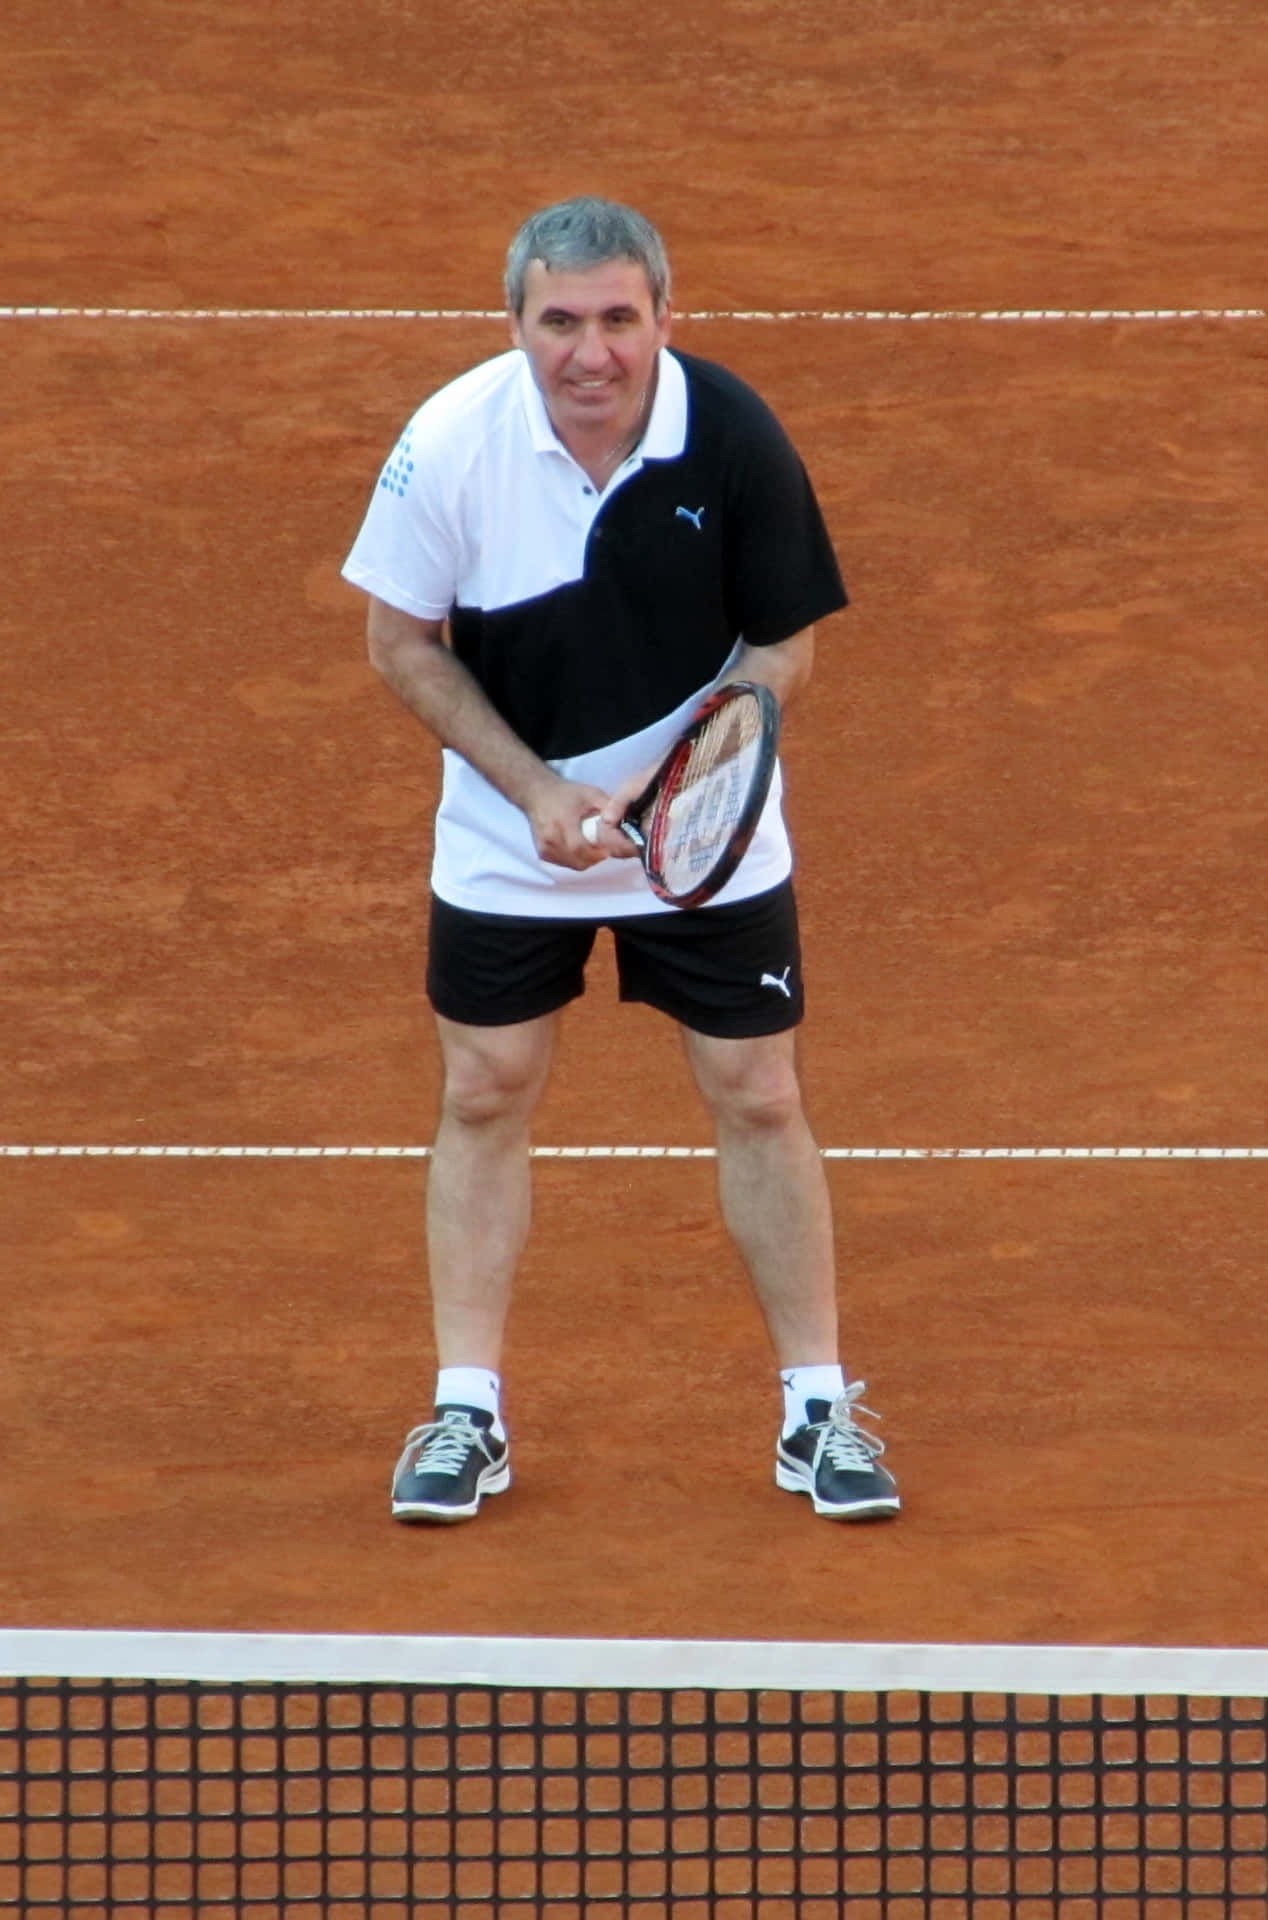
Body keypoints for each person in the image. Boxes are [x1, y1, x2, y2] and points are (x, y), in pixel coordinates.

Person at [342, 195, 900, 1526]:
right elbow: (400, 643)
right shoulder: (451, 443)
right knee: (485, 1088)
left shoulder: (734, 434)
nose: (590, 353)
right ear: (514, 324)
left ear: (663, 316)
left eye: (617, 319)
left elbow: (784, 645)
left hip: (703, 830)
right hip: (508, 828)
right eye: (559, 322)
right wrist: (537, 790)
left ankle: (816, 1410)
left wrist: (685, 780)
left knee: (757, 1090)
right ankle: (466, 1412)